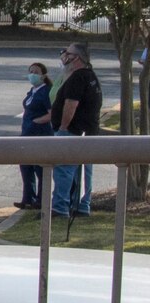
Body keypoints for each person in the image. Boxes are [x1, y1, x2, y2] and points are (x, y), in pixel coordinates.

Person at [51, 41, 102, 217]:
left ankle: (60, 207)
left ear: (77, 58)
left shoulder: (78, 77)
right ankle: (81, 206)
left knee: (64, 169)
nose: (64, 56)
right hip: (87, 132)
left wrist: (64, 127)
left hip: (73, 132)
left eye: (68, 53)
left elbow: (70, 105)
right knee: (83, 170)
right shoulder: (90, 76)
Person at [17, 61, 53, 209]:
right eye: (30, 71)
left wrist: (37, 121)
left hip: (40, 134)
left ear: (43, 76)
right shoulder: (32, 91)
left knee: (40, 168)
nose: (32, 74)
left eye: (36, 72)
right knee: (26, 166)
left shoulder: (46, 92)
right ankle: (28, 198)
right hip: (27, 134)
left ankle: (41, 199)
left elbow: (52, 114)